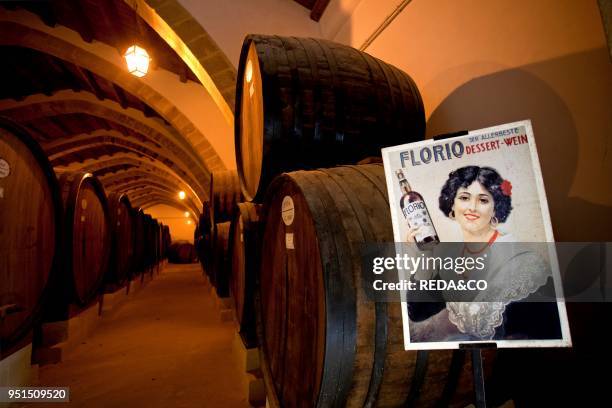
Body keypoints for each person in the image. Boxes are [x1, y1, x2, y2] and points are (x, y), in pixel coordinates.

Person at [405, 166, 562, 342]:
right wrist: (423, 257)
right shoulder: (450, 257)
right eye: (464, 198)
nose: (472, 207)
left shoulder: (524, 264)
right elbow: (417, 314)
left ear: (495, 209)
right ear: (452, 206)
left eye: (483, 200)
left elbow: (547, 332)